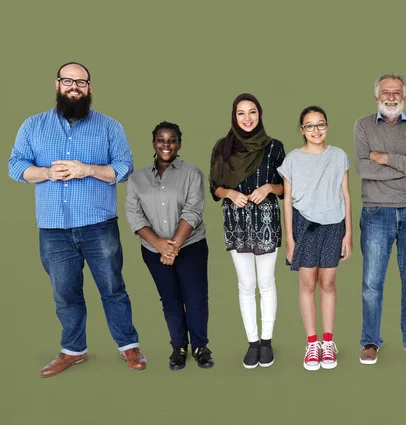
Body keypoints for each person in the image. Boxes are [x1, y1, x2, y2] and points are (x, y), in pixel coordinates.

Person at [8, 62, 145, 377]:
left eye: (81, 82)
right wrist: (44, 173)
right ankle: (73, 350)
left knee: (112, 288)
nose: (74, 86)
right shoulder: (33, 126)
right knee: (65, 293)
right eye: (68, 80)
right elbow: (15, 166)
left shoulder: (110, 126)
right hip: (53, 229)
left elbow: (123, 168)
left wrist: (88, 169)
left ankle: (128, 346)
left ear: (89, 88)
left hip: (99, 225)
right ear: (57, 85)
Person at [354, 73, 406, 365]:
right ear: (376, 97)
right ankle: (370, 341)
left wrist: (386, 158)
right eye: (385, 92)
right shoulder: (363, 125)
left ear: (404, 96)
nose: (391, 96)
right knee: (372, 283)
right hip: (376, 211)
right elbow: (363, 169)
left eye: (396, 91)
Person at [126, 122, 213, 371]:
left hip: (191, 246)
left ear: (179, 144)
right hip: (153, 251)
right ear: (153, 143)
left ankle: (200, 346)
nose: (166, 144)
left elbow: (193, 210)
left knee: (195, 298)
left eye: (172, 140)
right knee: (170, 299)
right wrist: (159, 245)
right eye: (161, 140)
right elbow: (134, 215)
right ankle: (179, 347)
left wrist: (172, 246)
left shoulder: (192, 173)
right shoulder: (137, 178)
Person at [210, 93, 285, 369]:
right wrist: (229, 192)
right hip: (237, 223)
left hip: (266, 221)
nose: (247, 118)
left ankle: (267, 342)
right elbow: (214, 187)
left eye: (252, 112)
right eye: (241, 113)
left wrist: (268, 188)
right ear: (234, 116)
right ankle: (252, 342)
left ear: (260, 114)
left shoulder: (275, 147)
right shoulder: (223, 147)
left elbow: (286, 187)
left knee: (266, 283)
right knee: (245, 285)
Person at [278, 106, 352, 371]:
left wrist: (348, 233)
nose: (316, 130)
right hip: (304, 224)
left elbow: (346, 195)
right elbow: (287, 201)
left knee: (328, 282)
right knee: (308, 283)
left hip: (333, 224)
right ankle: (312, 343)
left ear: (327, 126)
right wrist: (290, 240)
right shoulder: (292, 159)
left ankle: (328, 341)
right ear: (302, 130)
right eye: (309, 126)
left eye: (320, 124)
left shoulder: (339, 156)